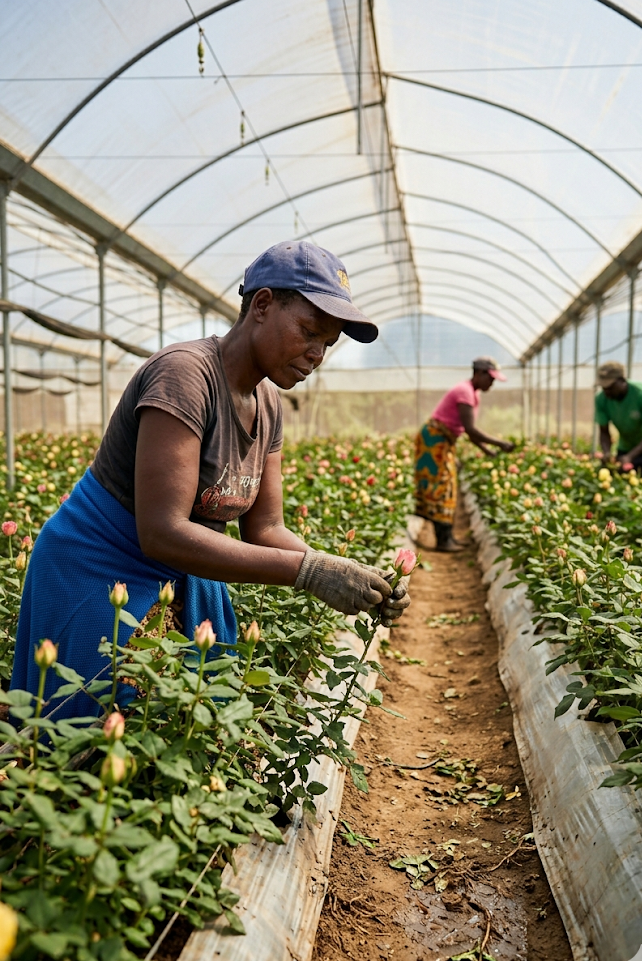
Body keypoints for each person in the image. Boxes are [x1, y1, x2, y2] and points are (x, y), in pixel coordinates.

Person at [11, 242, 411, 719]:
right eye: (309, 332)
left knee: (175, 728)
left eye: (327, 343)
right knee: (86, 734)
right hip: (97, 574)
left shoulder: (268, 404)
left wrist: (342, 572)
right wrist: (308, 574)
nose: (317, 354)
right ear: (262, 305)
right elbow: (162, 532)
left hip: (172, 576)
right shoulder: (185, 376)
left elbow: (266, 529)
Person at [414, 357, 514, 551]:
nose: (492, 383)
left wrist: (487, 450)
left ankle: (448, 537)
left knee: (447, 485)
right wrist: (500, 443)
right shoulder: (465, 392)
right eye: (490, 378)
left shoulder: (472, 393)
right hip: (434, 440)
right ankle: (443, 541)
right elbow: (471, 430)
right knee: (441, 486)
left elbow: (469, 432)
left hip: (442, 440)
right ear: (479, 373)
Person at [594, 361, 642, 476]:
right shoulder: (601, 399)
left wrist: (630, 456)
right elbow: (604, 431)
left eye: (610, 387)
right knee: (619, 479)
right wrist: (607, 453)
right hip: (627, 445)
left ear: (622, 380)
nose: (606, 392)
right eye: (603, 388)